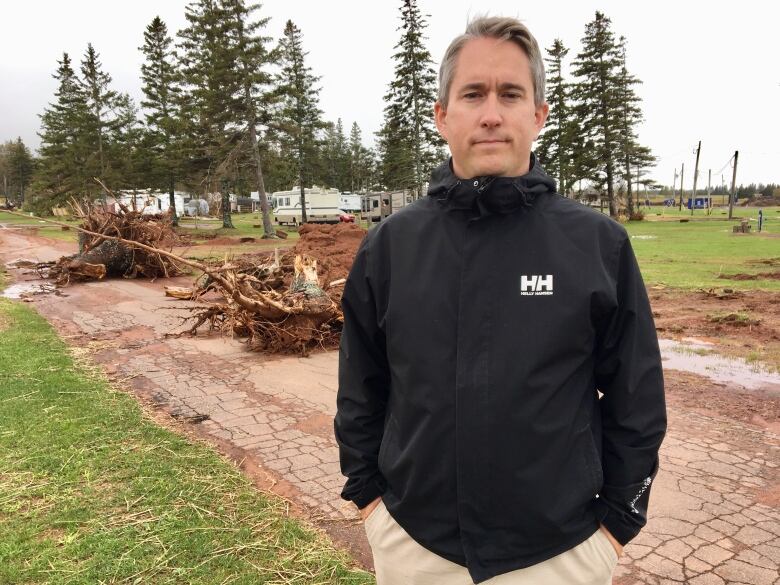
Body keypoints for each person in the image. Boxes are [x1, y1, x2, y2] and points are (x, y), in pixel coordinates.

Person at [334, 15, 666, 585]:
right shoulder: (390, 246)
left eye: (511, 93)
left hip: (559, 553)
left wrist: (617, 521)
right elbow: (361, 387)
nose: (491, 113)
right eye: (473, 94)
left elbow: (637, 398)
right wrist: (368, 497)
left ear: (538, 114)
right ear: (442, 116)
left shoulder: (596, 244)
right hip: (416, 547)